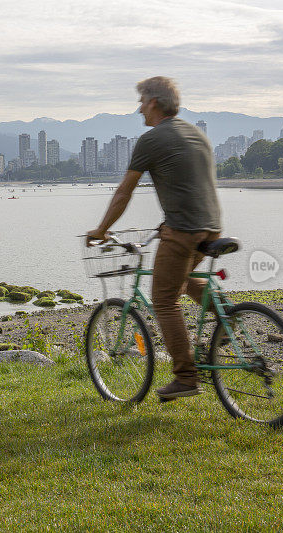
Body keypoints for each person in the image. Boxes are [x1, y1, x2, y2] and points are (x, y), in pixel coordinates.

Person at [87, 76, 222, 400]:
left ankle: (186, 377)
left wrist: (101, 229)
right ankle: (225, 316)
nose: (138, 109)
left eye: (141, 101)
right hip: (212, 226)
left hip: (184, 232)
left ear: (154, 103)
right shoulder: (196, 133)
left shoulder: (152, 139)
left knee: (163, 300)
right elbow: (189, 187)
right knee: (185, 278)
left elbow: (124, 193)